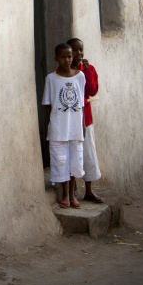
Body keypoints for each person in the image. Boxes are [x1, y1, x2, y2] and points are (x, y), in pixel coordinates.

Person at [42, 43, 86, 209]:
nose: (67, 60)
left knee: (75, 159)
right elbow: (48, 105)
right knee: (61, 160)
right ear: (56, 59)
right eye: (63, 57)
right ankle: (65, 194)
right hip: (59, 128)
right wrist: (52, 125)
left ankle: (73, 195)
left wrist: (82, 126)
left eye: (69, 56)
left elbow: (81, 104)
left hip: (75, 127)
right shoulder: (51, 79)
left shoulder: (80, 76)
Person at [68, 37, 103, 203]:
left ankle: (89, 189)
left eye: (81, 50)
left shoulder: (88, 69)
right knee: (72, 153)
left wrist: (87, 71)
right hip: (69, 120)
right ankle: (72, 189)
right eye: (75, 51)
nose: (79, 53)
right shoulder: (64, 71)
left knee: (88, 152)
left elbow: (92, 90)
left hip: (86, 119)